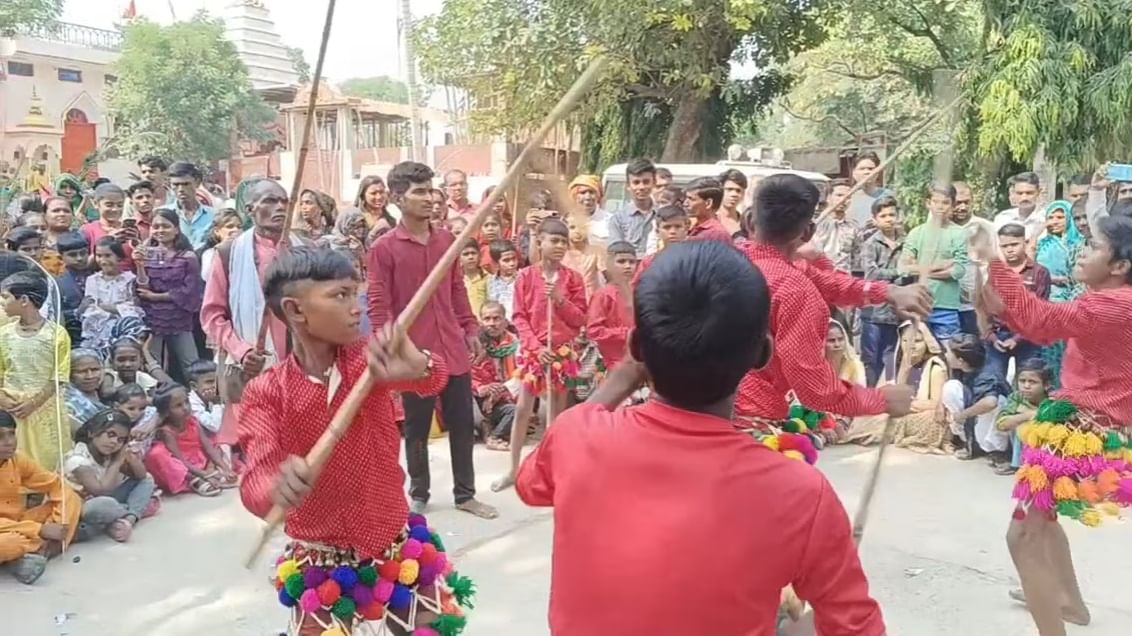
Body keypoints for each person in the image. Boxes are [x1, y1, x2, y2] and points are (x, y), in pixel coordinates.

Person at [515, 240, 886, 635]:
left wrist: (620, 377)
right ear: (762, 353)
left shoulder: (578, 434)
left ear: (636, 347)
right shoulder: (800, 491)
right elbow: (856, 627)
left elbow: (530, 485)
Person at [239, 247, 475, 635]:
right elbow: (256, 480)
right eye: (341, 295)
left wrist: (419, 364)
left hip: (395, 542)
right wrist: (277, 487)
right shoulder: (266, 392)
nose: (357, 307)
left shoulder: (368, 360)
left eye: (356, 293)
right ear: (296, 311)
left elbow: (432, 378)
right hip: (320, 562)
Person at [968, 214, 1132, 636]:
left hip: (1081, 430)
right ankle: (1069, 604)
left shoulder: (1111, 304)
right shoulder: (1113, 301)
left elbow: (1040, 323)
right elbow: (1034, 320)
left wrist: (994, 262)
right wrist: (988, 273)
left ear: (1119, 266)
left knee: (1022, 537)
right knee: (1044, 522)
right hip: (1089, 424)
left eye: (1094, 245)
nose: (1081, 250)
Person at [737, 174, 926, 424]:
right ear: (808, 231)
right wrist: (881, 399)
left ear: (750, 220)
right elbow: (815, 390)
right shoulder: (795, 290)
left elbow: (831, 283)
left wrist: (889, 292)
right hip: (747, 419)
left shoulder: (725, 260)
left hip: (683, 411)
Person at [367, 161, 497, 519]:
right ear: (397, 198)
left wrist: (470, 329)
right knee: (417, 426)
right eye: (419, 192)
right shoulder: (384, 248)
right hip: (414, 354)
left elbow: (456, 291)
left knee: (461, 422)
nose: (430, 199)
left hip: (452, 347)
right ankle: (419, 492)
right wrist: (391, 350)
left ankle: (465, 494)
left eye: (431, 190)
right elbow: (379, 305)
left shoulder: (445, 241)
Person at [201, 179, 298, 451]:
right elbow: (212, 316)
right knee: (261, 449)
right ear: (249, 209)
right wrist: (242, 351)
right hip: (254, 370)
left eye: (283, 202)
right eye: (269, 201)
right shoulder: (228, 254)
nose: (279, 207)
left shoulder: (304, 248)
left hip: (302, 366)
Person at [491, 218, 587, 492]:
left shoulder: (573, 279)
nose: (559, 246)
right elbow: (519, 317)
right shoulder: (526, 276)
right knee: (523, 408)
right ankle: (513, 469)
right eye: (553, 241)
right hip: (536, 352)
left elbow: (580, 318)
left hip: (563, 352)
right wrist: (535, 346)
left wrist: (559, 298)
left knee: (556, 413)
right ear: (540, 241)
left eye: (563, 242)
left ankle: (550, 471)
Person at [0, 271, 71, 472]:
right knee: (12, 458)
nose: (2, 302)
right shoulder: (3, 334)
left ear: (24, 300)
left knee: (46, 461)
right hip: (11, 407)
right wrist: (2, 399)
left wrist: (33, 403)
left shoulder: (56, 334)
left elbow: (59, 376)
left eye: (6, 296)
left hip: (44, 409)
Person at [0, 411, 81, 585]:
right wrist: (39, 530)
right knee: (9, 543)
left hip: (19, 523)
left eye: (11, 434)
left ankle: (43, 550)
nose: (9, 442)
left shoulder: (17, 459)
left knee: (70, 497)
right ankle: (43, 547)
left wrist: (48, 525)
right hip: (10, 532)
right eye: (0, 437)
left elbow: (55, 485)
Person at [841, 321, 948, 448]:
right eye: (905, 341)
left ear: (927, 343)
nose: (911, 346)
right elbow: (880, 393)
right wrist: (904, 370)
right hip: (896, 411)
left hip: (921, 414)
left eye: (917, 341)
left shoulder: (934, 366)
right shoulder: (893, 364)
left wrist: (904, 405)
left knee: (928, 421)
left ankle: (876, 434)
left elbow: (935, 404)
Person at [64, 408, 156, 543]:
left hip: (108, 501)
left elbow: (141, 476)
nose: (114, 442)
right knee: (103, 505)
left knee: (147, 480)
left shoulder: (108, 453)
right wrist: (117, 462)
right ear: (92, 432)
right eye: (110, 434)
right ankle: (131, 511)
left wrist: (128, 455)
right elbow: (100, 491)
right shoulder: (77, 460)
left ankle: (128, 519)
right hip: (81, 509)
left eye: (120, 440)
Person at [134, 208, 203, 381]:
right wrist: (140, 265)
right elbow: (142, 287)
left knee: (190, 363)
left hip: (179, 317)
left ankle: (201, 398)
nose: (160, 230)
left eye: (165, 226)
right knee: (152, 362)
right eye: (156, 226)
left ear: (176, 229)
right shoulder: (146, 253)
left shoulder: (187, 257)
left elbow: (191, 291)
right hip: (153, 317)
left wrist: (157, 297)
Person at [900, 183, 970, 344]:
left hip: (947, 306)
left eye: (945, 203)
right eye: (936, 202)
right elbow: (903, 268)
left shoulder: (958, 233)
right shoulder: (916, 233)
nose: (940, 207)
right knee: (915, 353)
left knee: (948, 354)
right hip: (918, 304)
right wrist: (942, 265)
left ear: (952, 205)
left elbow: (958, 270)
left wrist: (920, 268)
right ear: (928, 203)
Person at [144, 383, 235, 497]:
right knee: (157, 454)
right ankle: (194, 480)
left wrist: (225, 468)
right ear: (166, 412)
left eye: (186, 402)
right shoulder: (167, 431)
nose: (185, 408)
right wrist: (204, 474)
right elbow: (180, 460)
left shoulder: (192, 421)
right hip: (182, 467)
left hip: (197, 459)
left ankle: (215, 472)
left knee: (219, 440)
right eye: (178, 405)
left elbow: (208, 447)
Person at [986, 223, 1050, 384]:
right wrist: (992, 337)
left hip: (1028, 337)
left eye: (1014, 244)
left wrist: (1016, 339)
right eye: (1004, 246)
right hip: (998, 337)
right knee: (994, 383)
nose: (1010, 250)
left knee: (1030, 384)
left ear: (1025, 243)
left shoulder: (1039, 272)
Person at [1034, 201, 1085, 386]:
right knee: (1049, 350)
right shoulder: (1043, 244)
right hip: (1047, 302)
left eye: (1060, 217)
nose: (1054, 221)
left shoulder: (1079, 244)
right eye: (1050, 217)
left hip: (1071, 300)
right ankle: (1052, 388)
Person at [943, 333, 1010, 461]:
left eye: (949, 353)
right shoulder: (961, 368)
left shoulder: (987, 374)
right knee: (951, 388)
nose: (946, 355)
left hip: (992, 413)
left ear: (961, 361)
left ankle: (998, 451)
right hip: (974, 408)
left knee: (999, 403)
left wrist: (963, 415)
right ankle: (969, 442)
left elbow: (991, 402)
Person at [859, 196, 905, 385]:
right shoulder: (871, 244)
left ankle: (885, 398)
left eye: (892, 214)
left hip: (897, 310)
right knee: (871, 358)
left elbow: (911, 271)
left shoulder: (906, 242)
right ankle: (869, 396)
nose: (888, 219)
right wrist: (898, 272)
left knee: (891, 356)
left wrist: (903, 274)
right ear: (875, 219)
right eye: (883, 215)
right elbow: (871, 274)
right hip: (874, 311)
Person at [472, 301, 519, 451]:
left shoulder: (516, 343)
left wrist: (499, 391)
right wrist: (482, 390)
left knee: (516, 410)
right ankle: (484, 427)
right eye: (487, 319)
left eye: (496, 318)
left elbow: (523, 374)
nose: (492, 323)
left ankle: (494, 435)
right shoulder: (474, 343)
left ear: (505, 321)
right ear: (481, 322)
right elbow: (465, 374)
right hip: (477, 398)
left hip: (504, 395)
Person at [81, 237, 142, 352]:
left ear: (119, 257)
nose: (103, 260)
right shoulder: (92, 280)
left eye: (108, 255)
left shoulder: (129, 279)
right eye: (99, 256)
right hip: (98, 331)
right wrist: (115, 310)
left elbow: (133, 308)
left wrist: (111, 308)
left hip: (124, 331)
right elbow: (92, 307)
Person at [993, 359, 1050, 476]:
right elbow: (1001, 424)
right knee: (1022, 424)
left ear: (1046, 385)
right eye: (1022, 381)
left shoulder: (1053, 399)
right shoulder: (1017, 397)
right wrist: (1028, 415)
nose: (1026, 386)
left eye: (1033, 382)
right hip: (1024, 442)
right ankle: (1017, 464)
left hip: (1046, 444)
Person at [586, 241, 637, 370]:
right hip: (613, 364)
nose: (627, 266)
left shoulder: (641, 292)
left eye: (632, 262)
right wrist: (627, 333)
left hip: (640, 361)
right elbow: (594, 331)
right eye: (621, 261)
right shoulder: (602, 295)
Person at [160, 162, 215, 251]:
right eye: (176, 185)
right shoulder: (161, 215)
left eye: (186, 184)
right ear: (170, 185)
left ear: (197, 183)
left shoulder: (214, 215)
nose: (181, 189)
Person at [608, 158, 657, 256]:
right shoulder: (618, 219)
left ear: (654, 182)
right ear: (628, 186)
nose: (641, 187)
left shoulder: (663, 214)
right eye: (636, 182)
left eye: (646, 182)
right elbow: (617, 253)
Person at [81, 184, 139, 266]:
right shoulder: (87, 230)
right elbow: (83, 265)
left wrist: (137, 244)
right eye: (109, 205)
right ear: (96, 204)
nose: (115, 209)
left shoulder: (130, 229)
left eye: (120, 205)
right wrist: (107, 242)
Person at [631, 204, 690, 286]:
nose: (672, 231)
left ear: (686, 229)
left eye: (678, 226)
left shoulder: (698, 260)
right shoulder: (649, 262)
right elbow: (635, 288)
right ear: (657, 231)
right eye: (667, 227)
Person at [814, 178, 862, 273]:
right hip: (821, 276)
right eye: (839, 195)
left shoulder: (853, 226)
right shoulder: (815, 224)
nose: (843, 200)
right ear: (828, 197)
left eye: (848, 197)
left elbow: (857, 255)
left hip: (845, 277)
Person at [55, 231, 90, 345]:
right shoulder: (57, 283)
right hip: (73, 335)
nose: (79, 258)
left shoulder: (98, 276)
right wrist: (78, 311)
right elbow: (55, 314)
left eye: (83, 253)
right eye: (73, 255)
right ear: (61, 257)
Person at [100, 337, 166, 395]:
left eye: (133, 360)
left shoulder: (143, 378)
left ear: (141, 360)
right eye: (121, 360)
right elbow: (106, 392)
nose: (127, 364)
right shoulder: (110, 376)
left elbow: (155, 398)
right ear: (112, 361)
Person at [994, 172, 1046, 239]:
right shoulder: (1003, 219)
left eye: (1029, 193)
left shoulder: (1045, 220)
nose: (1024, 198)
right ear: (1013, 193)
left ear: (1038, 193)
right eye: (1019, 193)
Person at [683, 176, 734, 243]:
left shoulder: (717, 234)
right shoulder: (693, 227)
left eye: (691, 199)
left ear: (708, 203)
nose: (685, 203)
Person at [562, 214, 602, 300]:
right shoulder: (560, 253)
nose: (578, 231)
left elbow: (609, 276)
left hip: (591, 300)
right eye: (572, 227)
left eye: (582, 227)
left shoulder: (596, 251)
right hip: (567, 300)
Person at [198, 209, 243, 283]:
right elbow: (208, 277)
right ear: (217, 231)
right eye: (230, 226)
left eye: (239, 227)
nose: (235, 229)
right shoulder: (209, 254)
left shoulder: (247, 251)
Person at [186, 360, 224, 438]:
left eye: (217, 380)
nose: (215, 385)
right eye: (209, 382)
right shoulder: (191, 404)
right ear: (194, 386)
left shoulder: (209, 397)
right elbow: (215, 426)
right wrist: (216, 403)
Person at [567, 174, 608, 246]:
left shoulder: (611, 221)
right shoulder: (566, 221)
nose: (588, 197)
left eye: (592, 192)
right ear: (574, 196)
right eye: (582, 193)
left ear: (598, 196)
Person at [486, 238, 520, 320]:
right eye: (506, 260)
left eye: (514, 259)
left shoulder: (523, 279)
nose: (512, 263)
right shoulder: (490, 282)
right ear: (496, 263)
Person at [459, 238, 489, 319]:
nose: (470, 257)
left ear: (479, 255)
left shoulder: (488, 278)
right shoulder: (455, 280)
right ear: (459, 257)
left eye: (473, 253)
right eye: (466, 254)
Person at [718, 168, 748, 237]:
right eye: (729, 189)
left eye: (738, 191)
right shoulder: (710, 220)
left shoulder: (746, 224)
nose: (734, 194)